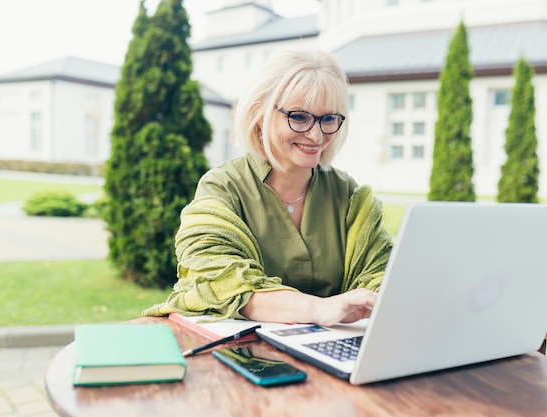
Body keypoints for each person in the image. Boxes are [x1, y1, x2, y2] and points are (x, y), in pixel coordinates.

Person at [143, 48, 393, 326]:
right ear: (259, 114)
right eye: (299, 117)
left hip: (334, 355)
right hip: (242, 357)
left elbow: (383, 279)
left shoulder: (348, 195)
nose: (316, 134)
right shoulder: (222, 188)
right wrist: (320, 309)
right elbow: (221, 282)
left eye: (328, 119)